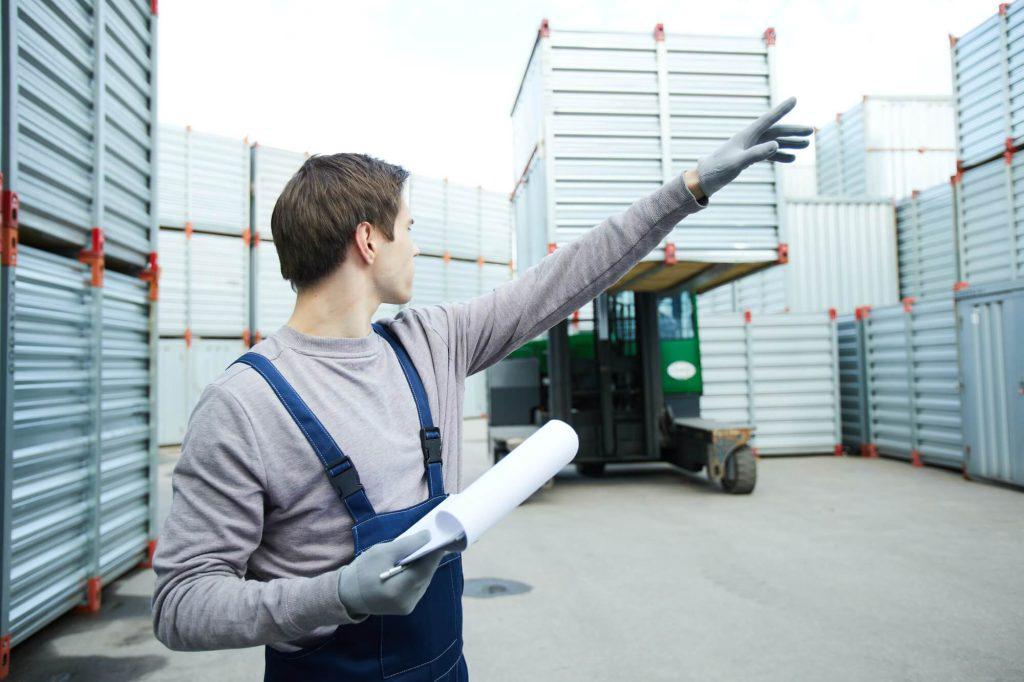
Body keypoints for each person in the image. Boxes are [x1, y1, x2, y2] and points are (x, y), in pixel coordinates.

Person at [152, 97, 810, 680]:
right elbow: (181, 603)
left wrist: (689, 187)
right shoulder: (243, 404)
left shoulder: (432, 343)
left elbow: (565, 277)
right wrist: (338, 594)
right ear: (368, 241)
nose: (416, 246)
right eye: (409, 228)